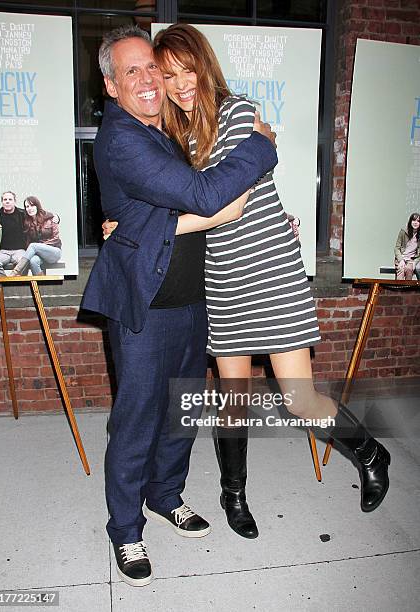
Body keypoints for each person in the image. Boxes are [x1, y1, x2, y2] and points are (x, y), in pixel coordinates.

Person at [149, 24, 391, 538]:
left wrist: (181, 205)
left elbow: (218, 198)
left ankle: (371, 454)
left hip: (270, 271)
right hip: (223, 278)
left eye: (187, 69)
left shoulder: (239, 113)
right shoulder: (176, 137)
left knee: (298, 398)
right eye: (169, 75)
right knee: (233, 399)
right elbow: (184, 196)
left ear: (204, 65)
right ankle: (233, 493)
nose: (180, 83)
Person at [81, 24, 278, 587]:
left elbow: (172, 208)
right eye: (133, 71)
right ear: (111, 85)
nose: (148, 79)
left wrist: (153, 221)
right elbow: (200, 194)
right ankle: (125, 529)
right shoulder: (121, 137)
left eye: (153, 69)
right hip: (147, 306)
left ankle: (166, 496)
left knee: (180, 414)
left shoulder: (161, 132)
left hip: (192, 299)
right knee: (138, 419)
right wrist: (260, 145)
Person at [8, 196, 62, 276]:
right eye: (27, 206)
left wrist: (40, 246)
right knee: (33, 261)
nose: (30, 208)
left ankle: (16, 271)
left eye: (32, 205)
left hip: (54, 251)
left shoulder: (50, 218)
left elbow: (56, 238)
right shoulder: (27, 222)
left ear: (37, 206)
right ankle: (40, 286)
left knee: (33, 246)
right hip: (39, 253)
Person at [0, 191, 26, 277]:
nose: (7, 201)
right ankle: (5, 284)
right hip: (3, 251)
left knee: (25, 262)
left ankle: (19, 286)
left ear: (14, 201)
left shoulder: (22, 214)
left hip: (19, 250)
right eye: (5, 199)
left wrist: (55, 217)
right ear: (2, 202)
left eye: (10, 199)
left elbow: (39, 215)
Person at [394, 212, 420, 280]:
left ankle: (407, 290)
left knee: (409, 269)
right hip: (401, 258)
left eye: (418, 221)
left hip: (411, 259)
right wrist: (401, 260)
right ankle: (398, 290)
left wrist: (415, 262)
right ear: (410, 222)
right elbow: (397, 248)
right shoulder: (403, 231)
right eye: (414, 220)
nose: (415, 222)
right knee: (401, 268)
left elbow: (419, 254)